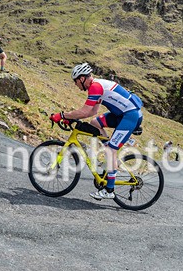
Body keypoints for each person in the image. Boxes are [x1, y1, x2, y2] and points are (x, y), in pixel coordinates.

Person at [50, 63, 143, 200]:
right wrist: (71, 117)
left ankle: (109, 190)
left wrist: (63, 115)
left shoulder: (95, 87)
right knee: (95, 123)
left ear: (82, 79)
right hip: (121, 114)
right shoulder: (96, 86)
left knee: (111, 150)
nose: (76, 85)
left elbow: (85, 111)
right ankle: (109, 156)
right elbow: (92, 112)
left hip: (130, 116)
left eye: (76, 81)